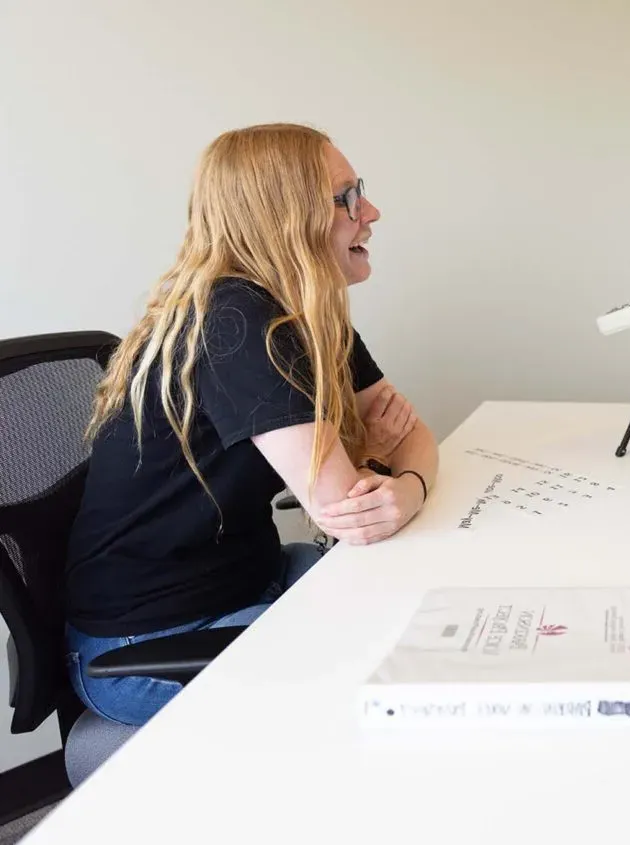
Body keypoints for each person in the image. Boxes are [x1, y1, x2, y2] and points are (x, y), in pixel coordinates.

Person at [63, 123, 440, 726]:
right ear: (284, 215)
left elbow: (413, 435)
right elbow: (349, 510)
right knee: (390, 697)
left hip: (249, 584)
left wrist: (405, 485)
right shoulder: (240, 322)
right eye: (345, 196)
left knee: (434, 606)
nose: (369, 211)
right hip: (153, 645)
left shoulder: (309, 314)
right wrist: (376, 463)